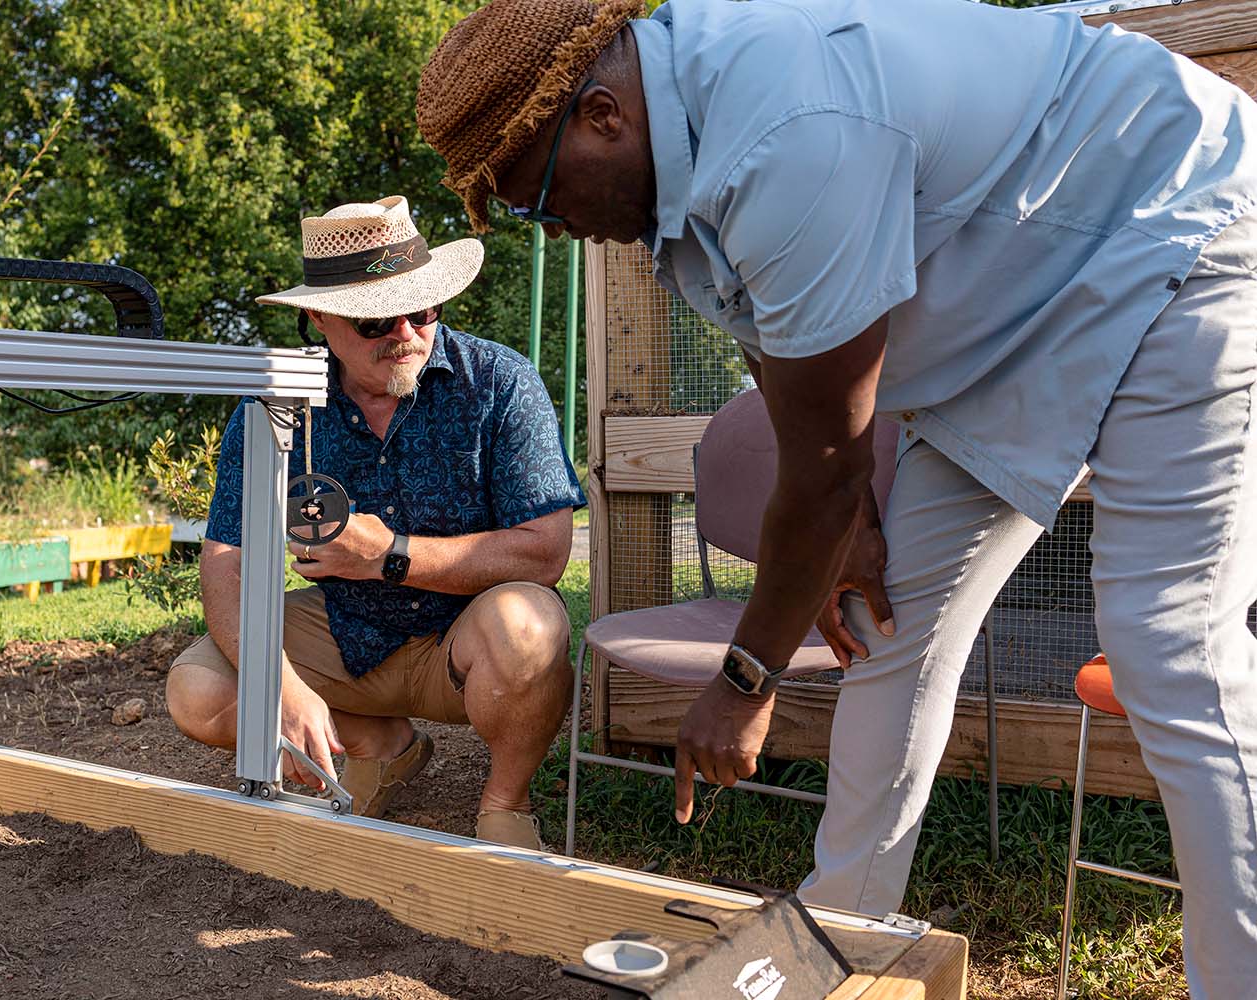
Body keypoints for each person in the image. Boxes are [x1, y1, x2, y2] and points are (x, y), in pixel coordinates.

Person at [417, 0, 1257, 992]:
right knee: (888, 623)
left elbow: (822, 472)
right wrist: (851, 530)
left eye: (540, 200)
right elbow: (774, 346)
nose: (559, 231)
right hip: (1007, 321)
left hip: (1173, 227)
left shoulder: (788, 134)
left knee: (1173, 648)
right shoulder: (676, 174)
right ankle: (830, 950)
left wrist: (743, 682)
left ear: (603, 115)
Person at [165, 195, 585, 851]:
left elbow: (545, 553)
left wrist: (389, 554)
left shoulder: (501, 382)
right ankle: (381, 746)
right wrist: (280, 689)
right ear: (318, 317)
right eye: (375, 321)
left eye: (422, 309)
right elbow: (228, 558)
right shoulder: (277, 402)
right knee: (200, 690)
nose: (407, 332)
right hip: (346, 633)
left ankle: (505, 802)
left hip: (467, 640)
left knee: (529, 625)